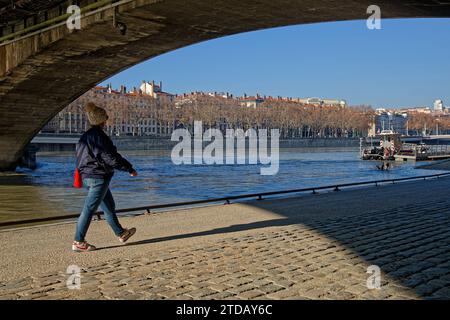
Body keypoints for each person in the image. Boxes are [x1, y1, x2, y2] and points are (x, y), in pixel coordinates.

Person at [73, 102, 138, 252]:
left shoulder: (85, 136)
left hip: (89, 175)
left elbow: (80, 157)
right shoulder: (99, 136)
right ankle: (78, 240)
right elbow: (109, 157)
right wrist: (128, 168)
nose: (106, 121)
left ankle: (121, 233)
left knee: (109, 206)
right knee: (89, 209)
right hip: (98, 176)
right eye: (105, 119)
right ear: (102, 120)